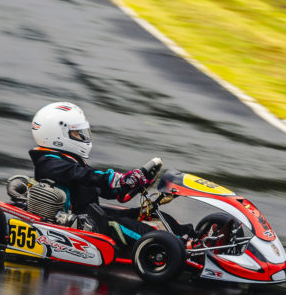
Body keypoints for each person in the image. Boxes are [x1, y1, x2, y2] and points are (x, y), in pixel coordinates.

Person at [28, 101, 191, 247]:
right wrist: (118, 179)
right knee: (127, 226)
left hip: (92, 215)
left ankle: (192, 236)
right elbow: (84, 176)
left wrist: (135, 183)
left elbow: (102, 189)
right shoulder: (49, 164)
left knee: (151, 214)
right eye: (77, 134)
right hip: (78, 224)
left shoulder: (69, 162)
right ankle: (177, 247)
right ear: (57, 135)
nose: (82, 137)